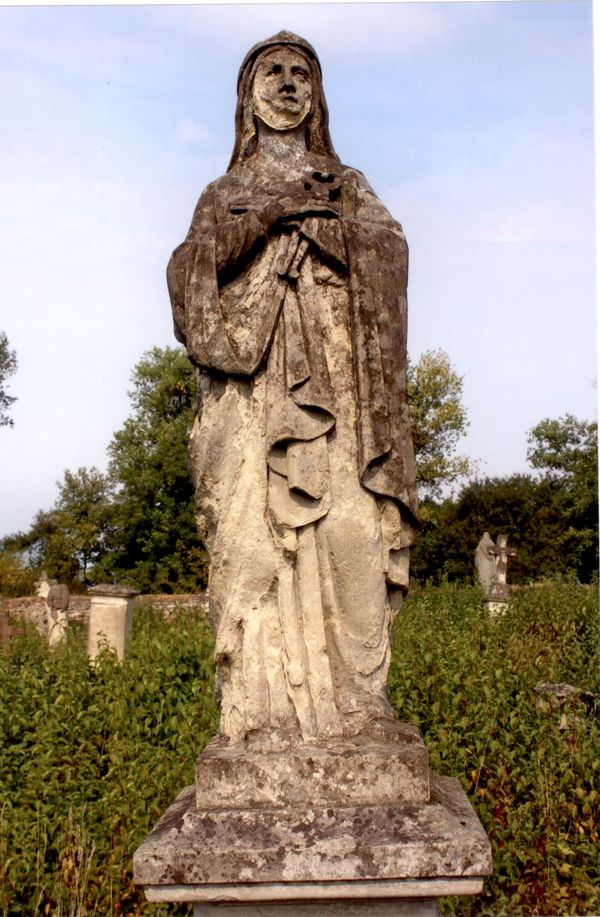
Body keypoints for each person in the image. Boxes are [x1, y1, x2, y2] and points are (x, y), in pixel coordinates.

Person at [168, 32, 419, 746]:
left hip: (338, 397)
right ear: (248, 97)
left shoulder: (349, 186)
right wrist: (274, 216)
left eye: (300, 71)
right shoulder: (225, 194)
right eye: (272, 71)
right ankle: (262, 710)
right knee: (255, 546)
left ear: (317, 93)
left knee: (350, 531)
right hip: (253, 404)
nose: (287, 81)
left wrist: (326, 227)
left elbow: (390, 253)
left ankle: (361, 703)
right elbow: (192, 276)